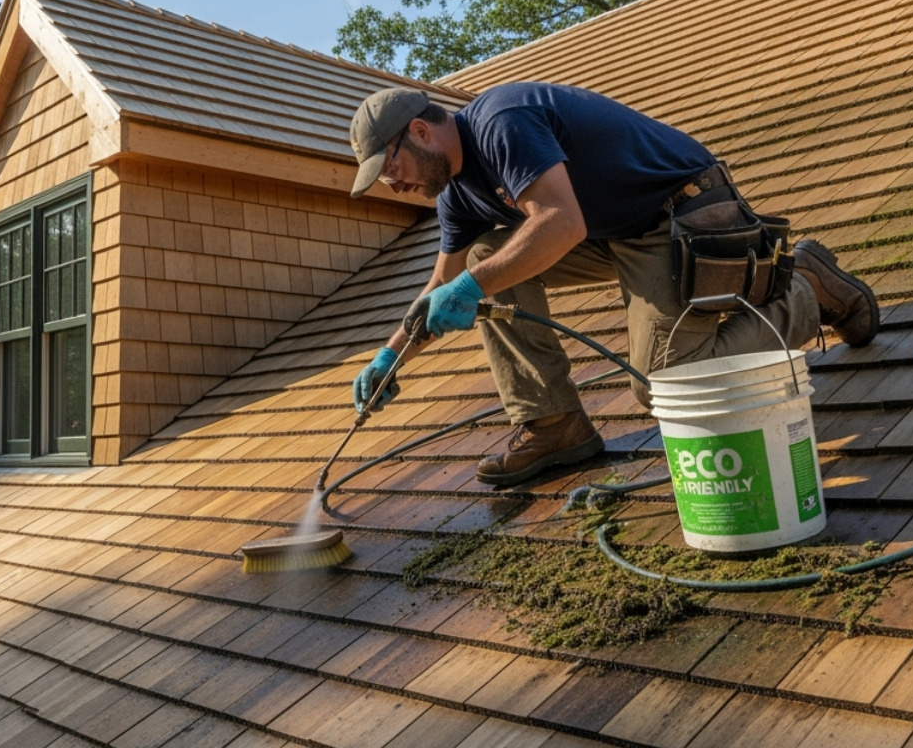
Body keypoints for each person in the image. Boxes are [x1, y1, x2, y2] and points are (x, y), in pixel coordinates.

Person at [347, 83, 877, 486]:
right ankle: (554, 424)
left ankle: (805, 286)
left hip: (684, 211)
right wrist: (389, 357)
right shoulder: (457, 194)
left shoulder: (500, 122)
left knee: (665, 385)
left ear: (420, 131)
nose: (393, 184)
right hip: (616, 232)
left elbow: (560, 223)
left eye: (389, 167)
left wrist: (470, 287)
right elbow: (443, 281)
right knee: (484, 256)